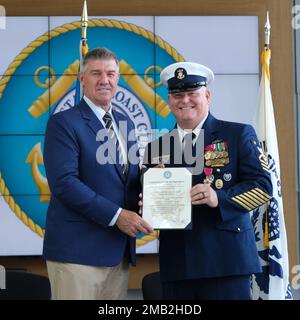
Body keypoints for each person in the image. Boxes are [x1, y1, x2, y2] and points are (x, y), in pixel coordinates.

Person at [142, 61, 273, 300]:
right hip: (177, 264)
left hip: (226, 263)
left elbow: (263, 188)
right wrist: (145, 204)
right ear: (169, 101)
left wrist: (218, 197)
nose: (185, 100)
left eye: (192, 93)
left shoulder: (237, 134)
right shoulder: (156, 148)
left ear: (207, 96)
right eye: (177, 94)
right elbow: (150, 203)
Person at [43, 47, 152, 300]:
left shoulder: (126, 123)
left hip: (118, 252)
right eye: (96, 73)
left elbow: (128, 178)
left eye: (111, 74)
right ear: (82, 79)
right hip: (77, 256)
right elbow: (65, 184)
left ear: (118, 78)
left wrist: (156, 181)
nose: (105, 80)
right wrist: (117, 216)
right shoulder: (63, 123)